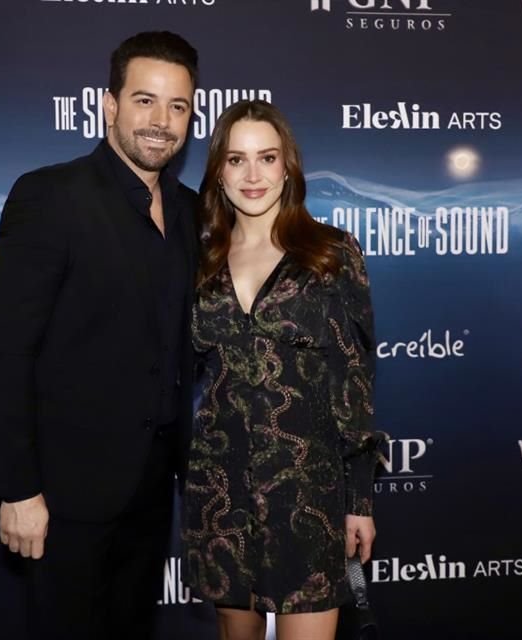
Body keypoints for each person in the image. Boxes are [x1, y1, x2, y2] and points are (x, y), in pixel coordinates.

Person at [0, 31, 199, 640]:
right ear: (109, 105)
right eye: (145, 101)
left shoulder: (192, 212)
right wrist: (18, 490)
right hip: (63, 496)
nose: (161, 121)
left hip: (152, 491)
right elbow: (3, 350)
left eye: (177, 106)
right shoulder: (49, 196)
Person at [181, 100, 385, 640]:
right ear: (218, 172)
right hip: (219, 493)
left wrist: (358, 501)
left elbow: (354, 382)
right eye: (236, 160)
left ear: (288, 168)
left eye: (267, 158)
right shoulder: (200, 260)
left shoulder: (330, 253)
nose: (253, 175)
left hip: (307, 496)